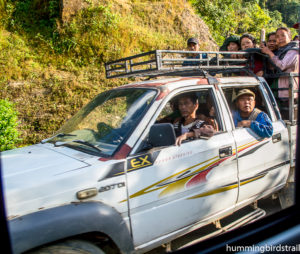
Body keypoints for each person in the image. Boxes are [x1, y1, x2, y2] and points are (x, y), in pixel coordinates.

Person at [260, 27, 299, 119]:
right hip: (280, 89)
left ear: (289, 37)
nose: (280, 38)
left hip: (288, 90)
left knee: (287, 118)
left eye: (283, 36)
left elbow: (282, 66)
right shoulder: (281, 51)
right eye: (277, 36)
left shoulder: (293, 51)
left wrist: (269, 52)